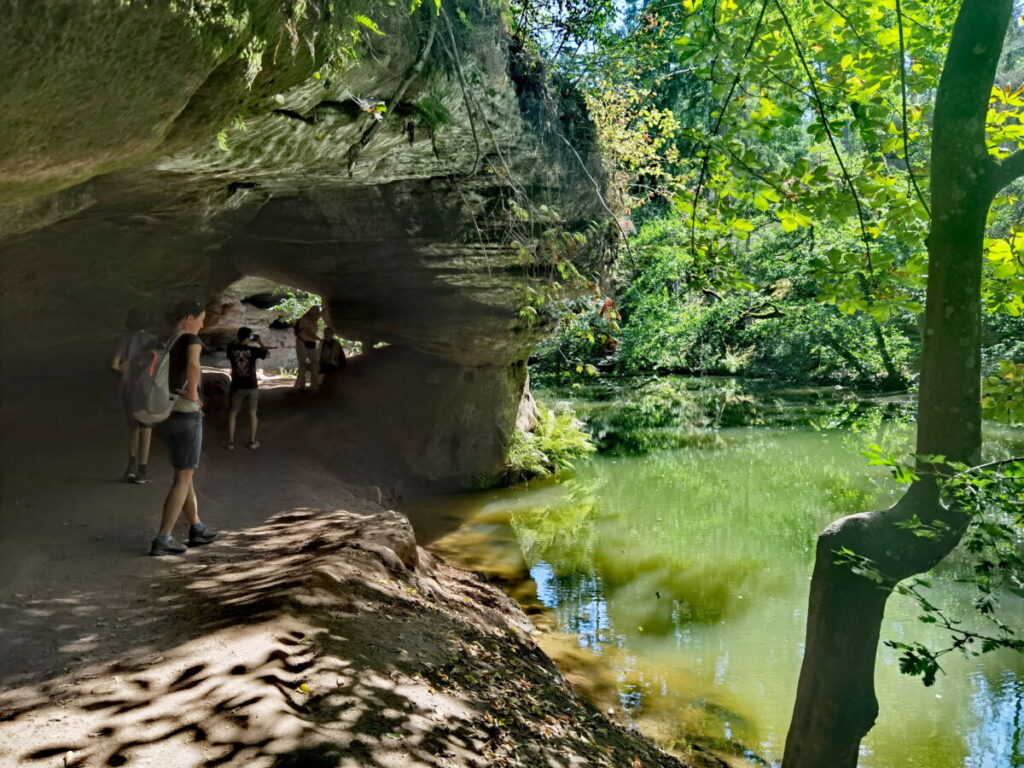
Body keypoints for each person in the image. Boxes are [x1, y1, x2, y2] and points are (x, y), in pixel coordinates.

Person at [150, 300, 217, 556]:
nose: (202, 323)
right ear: (189, 318)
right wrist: (192, 394)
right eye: (201, 318)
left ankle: (196, 527)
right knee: (183, 477)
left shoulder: (170, 341)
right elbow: (194, 366)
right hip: (186, 415)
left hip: (166, 413)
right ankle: (163, 538)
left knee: (184, 472)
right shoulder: (191, 340)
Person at [112, 307, 158, 484]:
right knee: (146, 429)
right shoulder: (153, 340)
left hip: (128, 389)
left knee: (132, 428)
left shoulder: (125, 340)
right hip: (146, 390)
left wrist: (128, 369)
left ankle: (130, 468)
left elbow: (115, 364)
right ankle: (142, 471)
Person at [225, 327, 269, 450]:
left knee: (233, 413)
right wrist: (259, 341)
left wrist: (241, 339)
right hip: (252, 385)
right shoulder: (253, 350)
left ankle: (231, 442)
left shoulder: (231, 349)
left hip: (237, 386)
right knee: (252, 413)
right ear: (249, 337)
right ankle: (253, 441)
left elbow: (231, 345)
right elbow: (267, 354)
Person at [293, 305, 321, 389]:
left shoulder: (314, 319)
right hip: (302, 343)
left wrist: (326, 310)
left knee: (315, 364)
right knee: (302, 364)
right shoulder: (304, 319)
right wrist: (319, 339)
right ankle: (301, 385)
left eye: (317, 311)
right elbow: (308, 331)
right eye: (315, 311)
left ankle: (314, 384)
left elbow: (320, 314)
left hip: (311, 343)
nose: (316, 313)